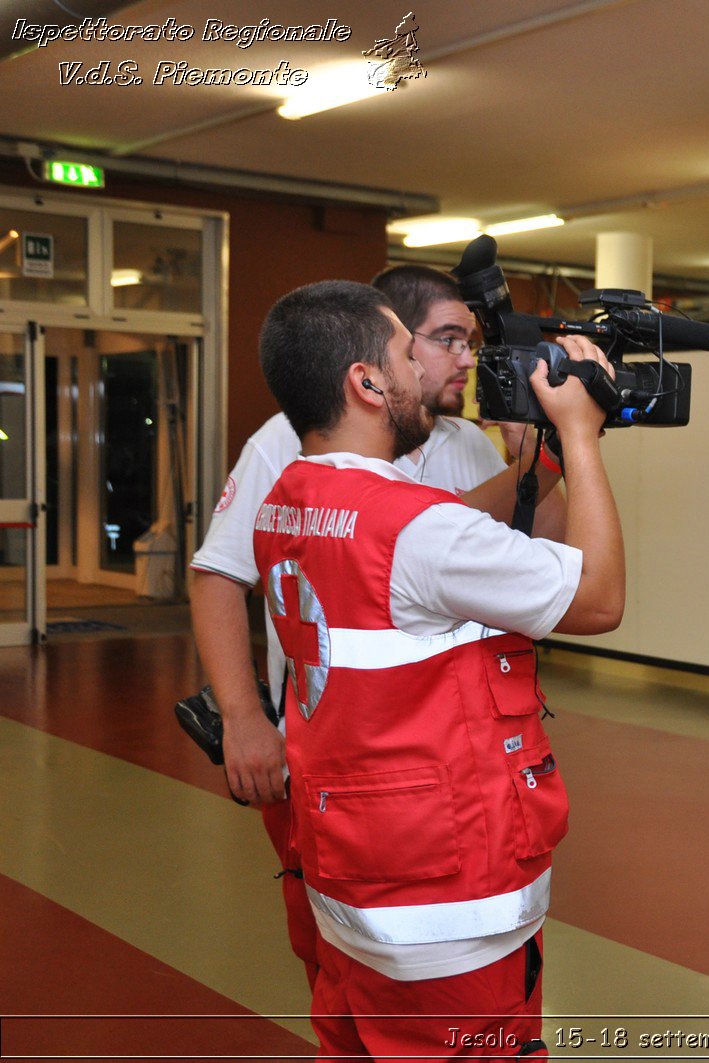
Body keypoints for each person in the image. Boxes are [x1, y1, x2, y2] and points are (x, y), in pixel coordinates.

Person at [252, 279, 622, 1058]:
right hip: (450, 911)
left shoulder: (286, 503)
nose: (426, 376)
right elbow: (598, 597)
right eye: (405, 358)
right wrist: (583, 440)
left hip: (353, 892)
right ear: (367, 383)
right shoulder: (415, 530)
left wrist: (541, 462)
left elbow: (442, 539)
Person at [188, 264, 566, 984]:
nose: (467, 359)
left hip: (451, 754)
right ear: (386, 347)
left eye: (472, 341)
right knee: (336, 957)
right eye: (448, 339)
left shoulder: (461, 440)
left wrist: (535, 452)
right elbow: (219, 574)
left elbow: (528, 537)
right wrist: (243, 717)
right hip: (331, 750)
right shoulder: (291, 438)